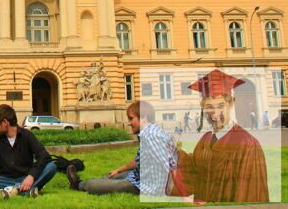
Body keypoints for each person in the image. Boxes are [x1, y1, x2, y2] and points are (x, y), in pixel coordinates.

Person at [174, 69, 269, 202]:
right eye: (209, 106)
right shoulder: (206, 139)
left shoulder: (246, 143)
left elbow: (248, 192)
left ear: (231, 104)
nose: (214, 112)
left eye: (220, 106)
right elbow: (194, 170)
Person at [67, 101, 174, 196]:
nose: (128, 123)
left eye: (131, 118)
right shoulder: (151, 132)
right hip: (141, 176)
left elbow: (167, 164)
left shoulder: (152, 136)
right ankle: (101, 181)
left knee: (95, 185)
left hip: (148, 187)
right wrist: (118, 170)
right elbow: (139, 160)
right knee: (114, 176)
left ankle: (78, 185)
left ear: (143, 118)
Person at [0, 104, 57, 199]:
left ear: (5, 123)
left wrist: (31, 176)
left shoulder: (27, 135)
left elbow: (44, 157)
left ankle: (12, 190)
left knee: (51, 167)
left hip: (25, 178)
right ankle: (24, 190)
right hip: (2, 179)